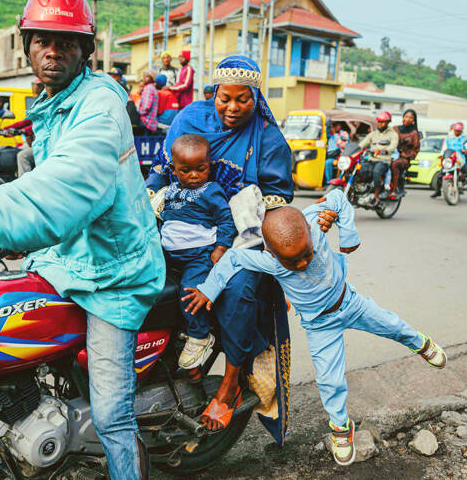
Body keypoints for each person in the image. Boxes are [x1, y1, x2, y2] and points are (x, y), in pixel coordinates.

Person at [0, 0, 164, 480]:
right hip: (69, 258)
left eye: (66, 42)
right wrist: (7, 230)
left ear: (86, 50)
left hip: (113, 273)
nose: (53, 51)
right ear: (27, 46)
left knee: (112, 416)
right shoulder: (55, 101)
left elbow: (61, 192)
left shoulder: (99, 105)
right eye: (42, 40)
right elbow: (41, 181)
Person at [183, 190, 447, 466]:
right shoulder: (268, 260)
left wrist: (348, 235)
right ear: (271, 253)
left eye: (306, 254)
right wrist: (208, 290)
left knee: (393, 325)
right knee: (329, 381)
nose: (302, 264)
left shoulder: (312, 221)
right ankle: (341, 427)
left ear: (309, 232)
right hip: (320, 326)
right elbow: (233, 259)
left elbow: (338, 198)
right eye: (291, 261)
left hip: (351, 302)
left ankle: (421, 344)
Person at [147, 55, 336, 441]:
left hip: (237, 236)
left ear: (256, 98)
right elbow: (164, 168)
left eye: (242, 99)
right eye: (225, 98)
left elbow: (277, 200)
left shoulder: (268, 138)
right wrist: (147, 198)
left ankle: (230, 384)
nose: (232, 108)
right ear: (213, 93)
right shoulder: (190, 119)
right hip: (180, 226)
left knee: (236, 290)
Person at [160, 134, 236, 370]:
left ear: (209, 166)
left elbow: (226, 220)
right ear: (173, 169)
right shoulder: (170, 191)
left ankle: (199, 335)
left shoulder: (211, 191)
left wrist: (221, 247)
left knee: (189, 294)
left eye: (200, 169)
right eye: (186, 171)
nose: (194, 175)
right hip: (168, 255)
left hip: (198, 257)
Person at [359, 111, 398, 206]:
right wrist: (354, 149)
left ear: (388, 122)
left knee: (376, 172)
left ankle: (376, 196)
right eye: (379, 122)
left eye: (382, 122)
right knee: (360, 169)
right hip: (371, 159)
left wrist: (383, 150)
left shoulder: (393, 134)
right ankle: (362, 190)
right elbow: (362, 144)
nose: (380, 124)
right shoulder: (373, 134)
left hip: (383, 160)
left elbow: (392, 147)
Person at [431, 121, 467, 199]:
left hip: (460, 160)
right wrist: (441, 155)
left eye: (458, 131)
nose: (457, 132)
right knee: (440, 175)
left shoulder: (465, 139)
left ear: (461, 131)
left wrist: (466, 150)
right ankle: (438, 191)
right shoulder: (448, 139)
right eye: (456, 130)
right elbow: (444, 149)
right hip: (450, 160)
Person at [389, 109, 421, 198]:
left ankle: (394, 190)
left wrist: (407, 155)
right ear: (403, 117)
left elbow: (416, 149)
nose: (408, 119)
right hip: (391, 154)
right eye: (406, 116)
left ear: (413, 120)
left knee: (394, 164)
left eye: (410, 118)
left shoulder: (414, 133)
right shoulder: (395, 129)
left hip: (404, 158)